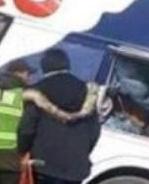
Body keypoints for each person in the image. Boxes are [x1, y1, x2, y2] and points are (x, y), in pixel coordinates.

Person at [18, 49, 101, 184]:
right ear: (67, 65)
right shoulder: (86, 92)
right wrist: (81, 152)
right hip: (75, 169)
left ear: (43, 67)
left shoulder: (38, 90)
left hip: (42, 164)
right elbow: (94, 132)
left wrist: (22, 150)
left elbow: (27, 128)